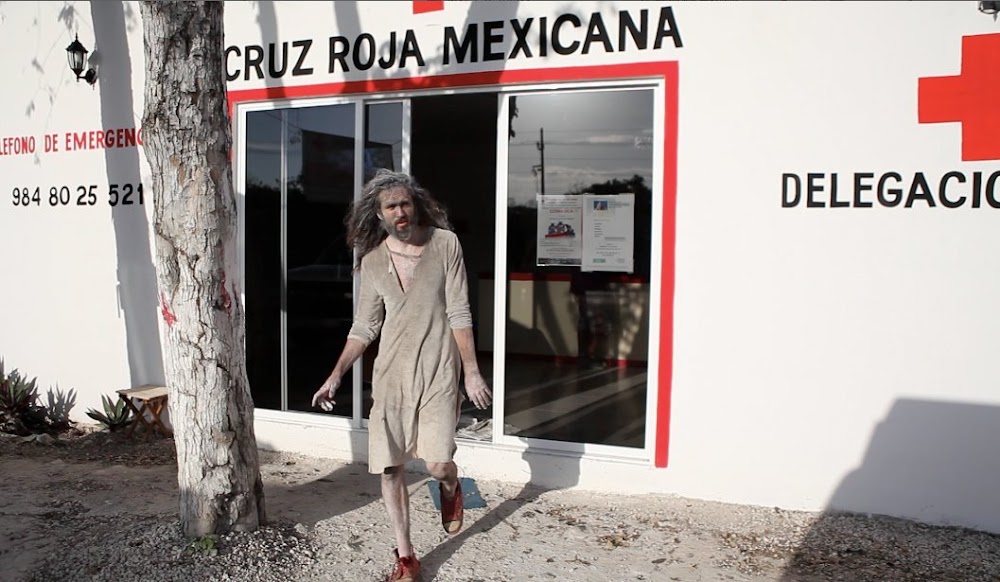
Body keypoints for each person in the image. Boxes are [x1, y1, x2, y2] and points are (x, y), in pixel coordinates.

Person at [311, 169, 493, 582]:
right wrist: (336, 374)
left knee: (438, 464)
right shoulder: (373, 262)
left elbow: (459, 311)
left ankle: (450, 487)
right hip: (391, 377)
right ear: (379, 214)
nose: (400, 212)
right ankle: (407, 557)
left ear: (416, 205)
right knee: (390, 467)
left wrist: (471, 372)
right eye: (391, 206)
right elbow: (364, 326)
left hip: (438, 372)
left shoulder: (445, 244)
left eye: (405, 203)